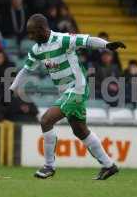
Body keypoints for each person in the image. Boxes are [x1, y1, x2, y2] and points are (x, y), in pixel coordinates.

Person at [10, 13, 126, 180]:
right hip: (66, 92)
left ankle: (49, 166)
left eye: (33, 32)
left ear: (43, 29)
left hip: (77, 88)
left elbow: (86, 40)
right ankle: (109, 166)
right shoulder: (37, 49)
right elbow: (26, 69)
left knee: (46, 120)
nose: (30, 36)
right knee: (80, 130)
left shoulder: (62, 39)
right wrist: (12, 87)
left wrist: (107, 45)